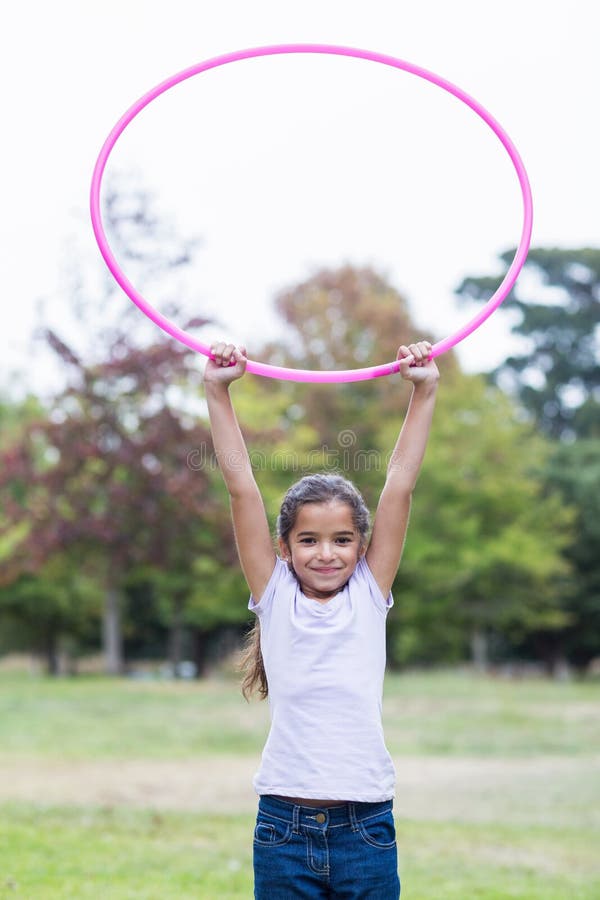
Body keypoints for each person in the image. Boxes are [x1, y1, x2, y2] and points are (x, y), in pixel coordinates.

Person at [204, 340, 439, 899]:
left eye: (341, 540)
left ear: (363, 547)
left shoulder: (368, 591)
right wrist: (218, 391)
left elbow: (399, 486)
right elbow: (241, 488)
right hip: (282, 828)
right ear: (283, 547)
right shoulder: (275, 592)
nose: (326, 553)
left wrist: (424, 391)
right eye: (308, 540)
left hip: (367, 829)